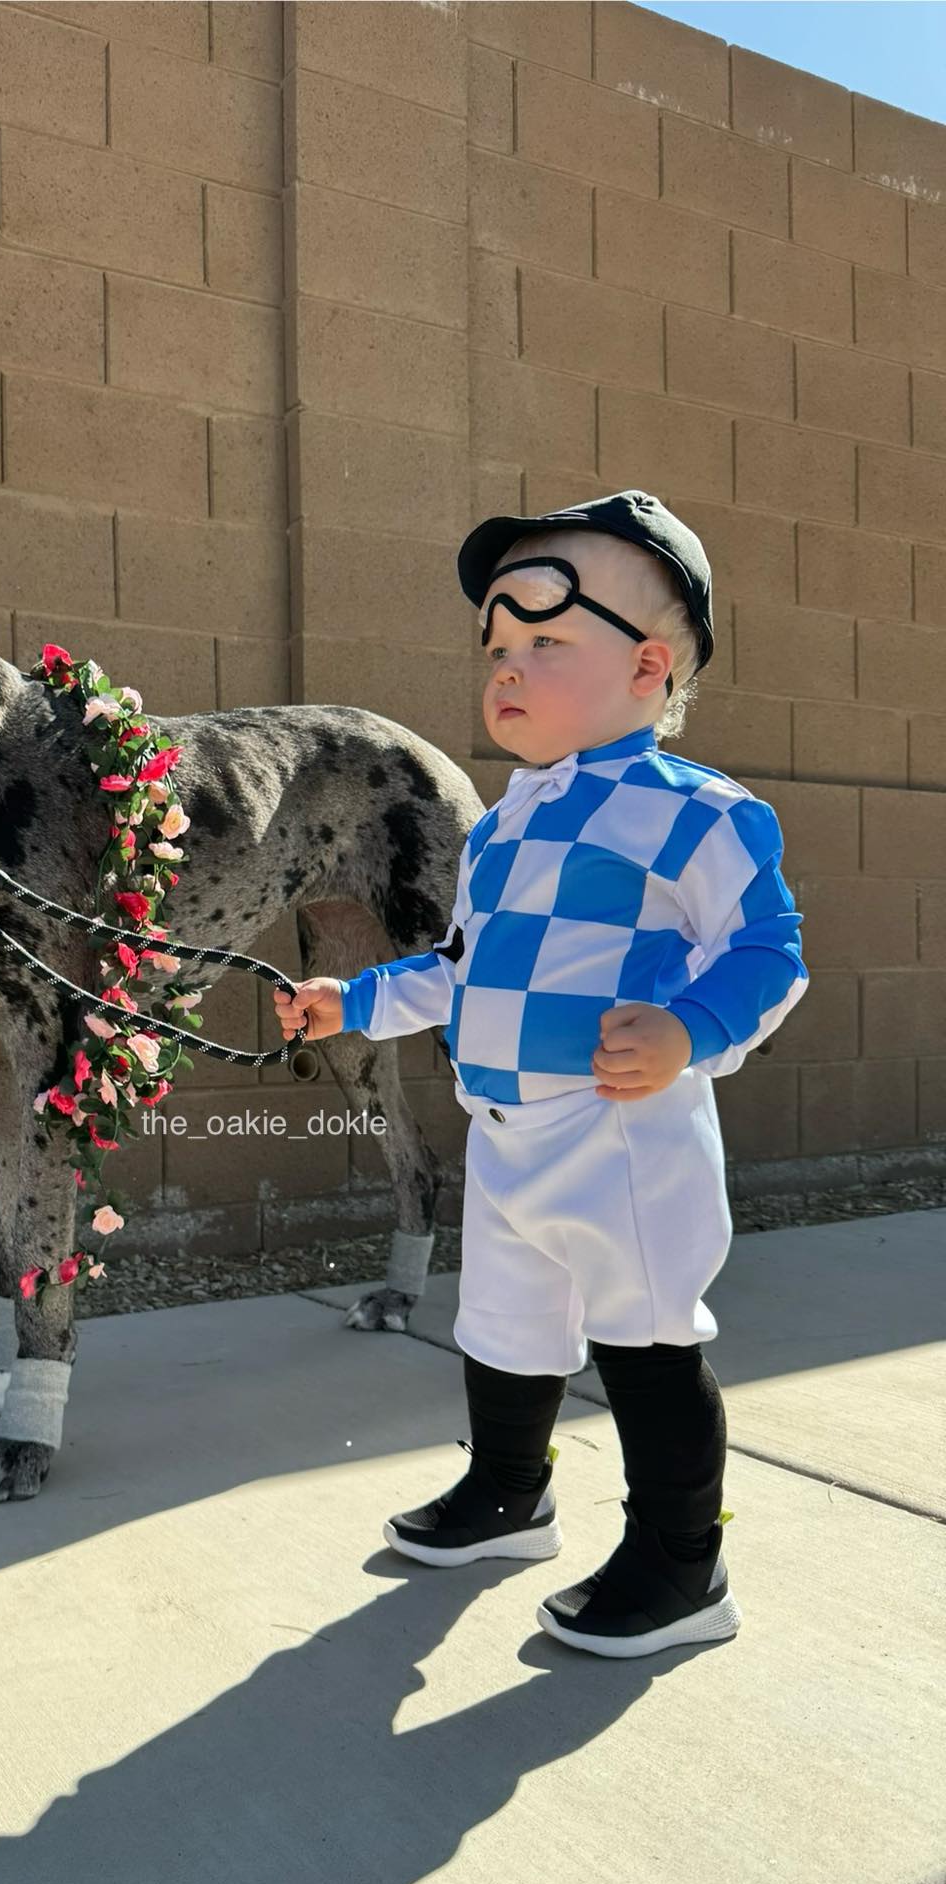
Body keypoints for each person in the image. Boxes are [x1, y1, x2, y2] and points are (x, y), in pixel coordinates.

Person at [273, 490, 808, 1658]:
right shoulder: (508, 824)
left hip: (621, 1134)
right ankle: (508, 1495)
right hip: (509, 1130)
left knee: (646, 1341)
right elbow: (463, 970)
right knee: (505, 1323)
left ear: (649, 668)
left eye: (546, 642)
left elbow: (770, 950)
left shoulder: (693, 811)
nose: (508, 668)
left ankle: (682, 1564)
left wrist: (688, 1032)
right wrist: (352, 1001)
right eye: (498, 648)